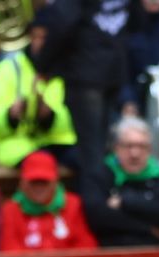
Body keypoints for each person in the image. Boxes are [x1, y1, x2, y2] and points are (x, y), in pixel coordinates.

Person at [33, 0, 131, 203]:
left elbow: (63, 24)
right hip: (114, 71)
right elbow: (138, 19)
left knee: (91, 154)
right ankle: (109, 201)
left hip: (86, 74)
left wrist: (42, 64)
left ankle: (96, 207)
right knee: (103, 148)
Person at [0, 8, 77, 169]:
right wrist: (9, 117)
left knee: (91, 163)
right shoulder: (8, 68)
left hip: (58, 142)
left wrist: (50, 118)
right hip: (17, 144)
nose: (40, 43)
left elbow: (81, 120)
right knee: (39, 163)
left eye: (45, 38)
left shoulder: (72, 70)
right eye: (35, 36)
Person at [83, 114, 159, 245]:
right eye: (128, 146)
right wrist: (148, 228)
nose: (135, 154)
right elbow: (98, 217)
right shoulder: (100, 175)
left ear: (150, 150)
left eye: (141, 146)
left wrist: (126, 202)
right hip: (111, 253)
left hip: (156, 254)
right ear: (116, 148)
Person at [1, 145, 97, 250]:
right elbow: (10, 251)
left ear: (55, 182)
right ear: (22, 183)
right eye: (33, 182)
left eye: (44, 182)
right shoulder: (11, 210)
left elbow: (86, 246)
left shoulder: (72, 204)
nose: (39, 187)